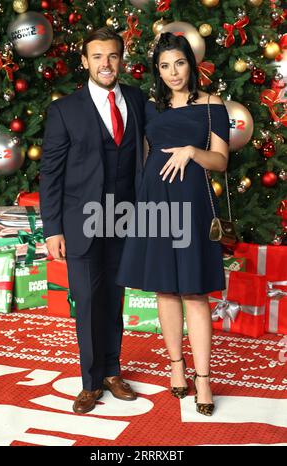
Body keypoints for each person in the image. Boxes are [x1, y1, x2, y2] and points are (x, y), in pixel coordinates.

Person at [116, 32, 230, 416]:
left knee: (194, 293)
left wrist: (192, 152)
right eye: (164, 66)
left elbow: (221, 162)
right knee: (165, 290)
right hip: (155, 202)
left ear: (190, 63)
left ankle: (203, 379)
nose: (173, 72)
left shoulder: (213, 106)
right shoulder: (150, 107)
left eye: (178, 63)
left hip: (193, 204)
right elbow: (144, 157)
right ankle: (176, 369)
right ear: (157, 70)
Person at [40, 27, 146, 414]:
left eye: (113, 56)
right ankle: (89, 381)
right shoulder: (64, 110)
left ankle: (112, 370)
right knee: (86, 301)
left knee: (114, 299)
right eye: (97, 57)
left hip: (125, 219)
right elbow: (50, 174)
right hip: (80, 222)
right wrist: (52, 229)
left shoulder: (135, 100)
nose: (106, 64)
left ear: (121, 60)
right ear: (84, 62)